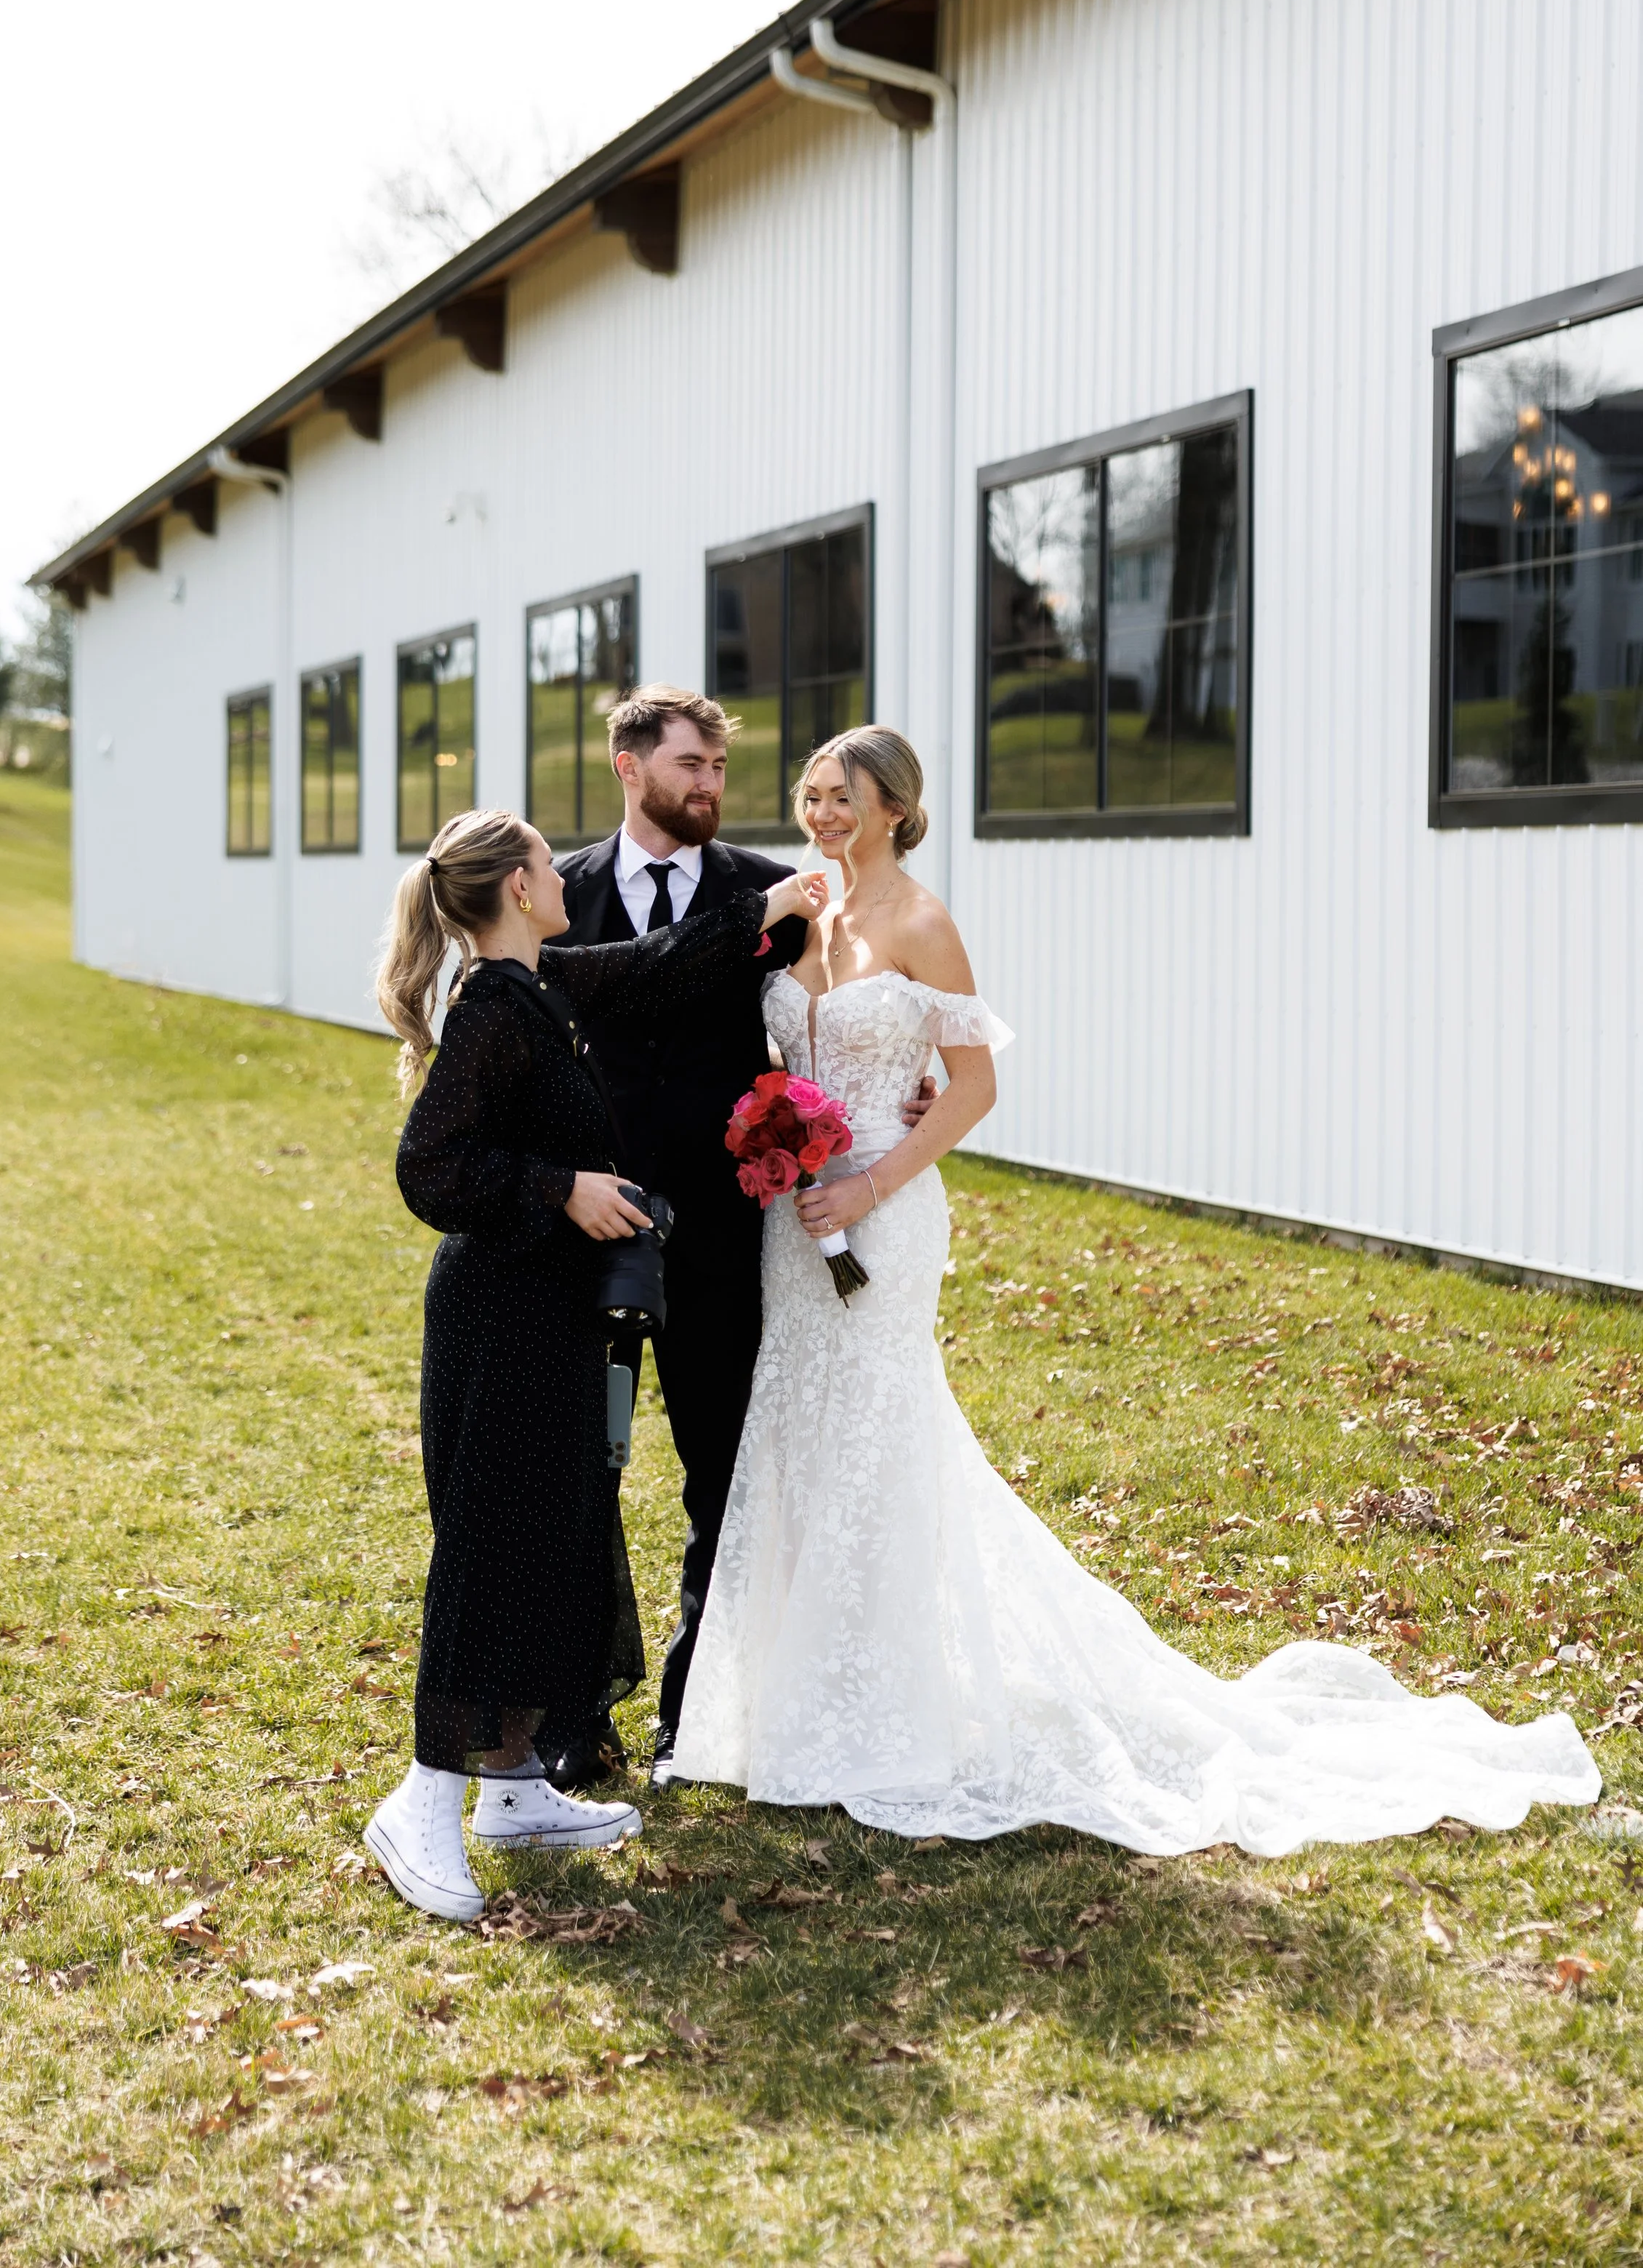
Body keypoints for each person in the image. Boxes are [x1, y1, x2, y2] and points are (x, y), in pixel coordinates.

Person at [670, 726, 1602, 1853]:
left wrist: (868, 1185)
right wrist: (784, 1146)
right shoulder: (795, 910)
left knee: (878, 1432)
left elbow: (973, 1087)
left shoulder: (922, 921)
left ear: (894, 809)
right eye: (810, 793)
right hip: (792, 1217)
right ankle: (790, 1705)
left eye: (841, 797)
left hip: (882, 1206)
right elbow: (768, 1044)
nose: (818, 813)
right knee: (801, 1433)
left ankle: (882, 1713)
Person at [362, 803, 824, 1919]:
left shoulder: (541, 986)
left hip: (551, 1311)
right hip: (496, 1315)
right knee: (492, 1544)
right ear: (520, 890)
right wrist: (559, 1188)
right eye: (543, 861)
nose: (564, 873)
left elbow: (657, 962)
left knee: (558, 1533)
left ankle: (515, 1786)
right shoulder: (491, 1010)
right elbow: (429, 1167)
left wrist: (767, 907)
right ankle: (423, 1801)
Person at [545, 685, 931, 1789]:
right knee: (583, 1476)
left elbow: (854, 1006)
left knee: (724, 1482)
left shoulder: (778, 892)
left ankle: (689, 1716)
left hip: (727, 1243)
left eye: (718, 767)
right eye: (688, 766)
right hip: (590, 1240)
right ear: (630, 768)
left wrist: (897, 1099)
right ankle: (579, 1713)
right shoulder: (556, 895)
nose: (709, 786)